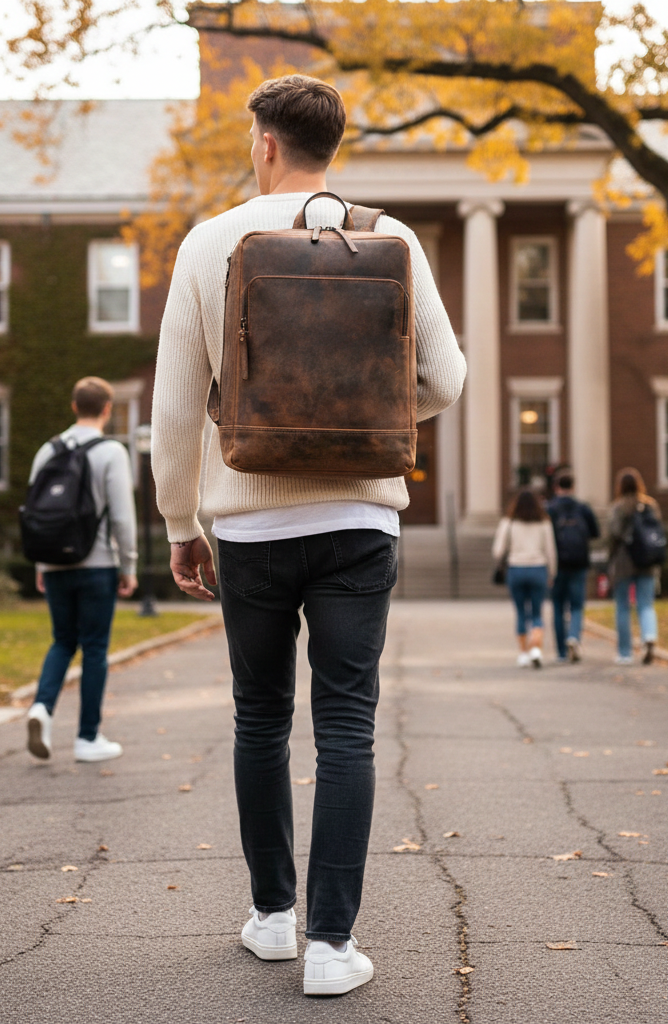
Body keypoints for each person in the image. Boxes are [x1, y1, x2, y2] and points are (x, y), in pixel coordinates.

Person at [151, 75, 465, 996]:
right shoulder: (389, 238)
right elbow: (446, 379)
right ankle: (332, 946)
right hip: (359, 521)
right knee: (346, 726)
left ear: (264, 143)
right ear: (333, 145)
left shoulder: (208, 242)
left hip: (249, 523)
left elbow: (175, 408)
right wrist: (361, 412)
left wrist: (180, 522)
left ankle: (273, 919)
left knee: (259, 718)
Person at [25, 377, 138, 763]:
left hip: (54, 563)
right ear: (107, 409)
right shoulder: (111, 452)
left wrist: (42, 563)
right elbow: (122, 516)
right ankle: (88, 738)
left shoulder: (47, 450)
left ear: (74, 406)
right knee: (94, 648)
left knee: (62, 641)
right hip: (97, 564)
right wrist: (129, 565)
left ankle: (42, 708)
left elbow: (35, 513)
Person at [493, 488, 557, 669]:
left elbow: (498, 551)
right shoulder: (544, 523)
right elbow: (551, 551)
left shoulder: (509, 522)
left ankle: (523, 653)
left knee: (521, 612)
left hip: (516, 569)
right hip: (538, 569)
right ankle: (535, 649)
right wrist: (552, 573)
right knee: (537, 613)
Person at [607, 467, 660, 665]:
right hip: (647, 560)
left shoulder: (617, 507)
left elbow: (613, 534)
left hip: (624, 561)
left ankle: (624, 653)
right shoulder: (650, 505)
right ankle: (649, 636)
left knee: (622, 606)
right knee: (646, 604)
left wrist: (610, 561)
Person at [546, 472, 601, 663]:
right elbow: (595, 532)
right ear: (573, 487)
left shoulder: (550, 509)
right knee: (577, 605)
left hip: (557, 565)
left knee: (558, 607)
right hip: (579, 563)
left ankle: (561, 652)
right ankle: (574, 637)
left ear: (556, 487)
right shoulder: (583, 508)